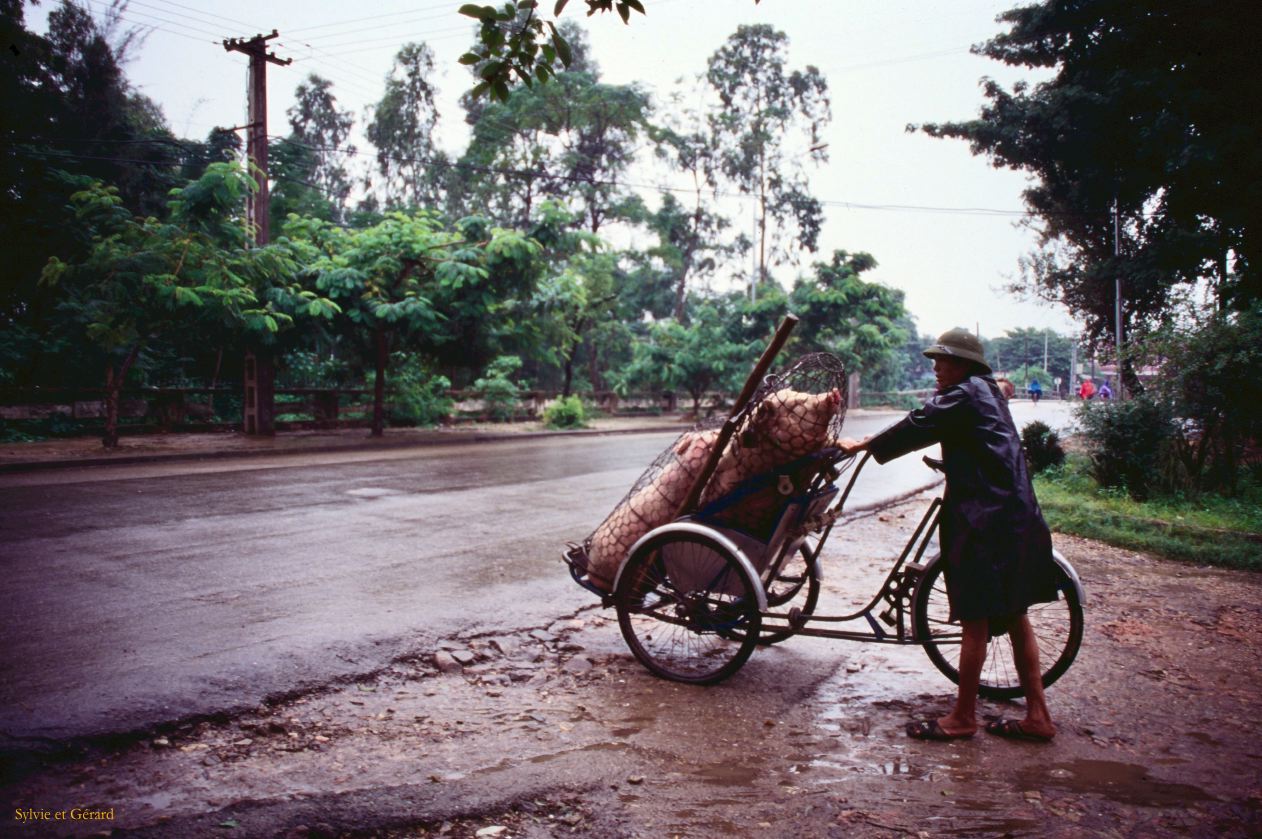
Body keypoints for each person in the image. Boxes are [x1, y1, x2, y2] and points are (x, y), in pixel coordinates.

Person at [838, 328, 1061, 743]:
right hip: (1016, 516)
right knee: (1015, 614)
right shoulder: (987, 392)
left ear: (964, 364)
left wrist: (863, 445)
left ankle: (962, 718)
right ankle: (1038, 716)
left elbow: (917, 423)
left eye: (944, 361)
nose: (937, 368)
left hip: (986, 522)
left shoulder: (963, 395)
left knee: (975, 621)